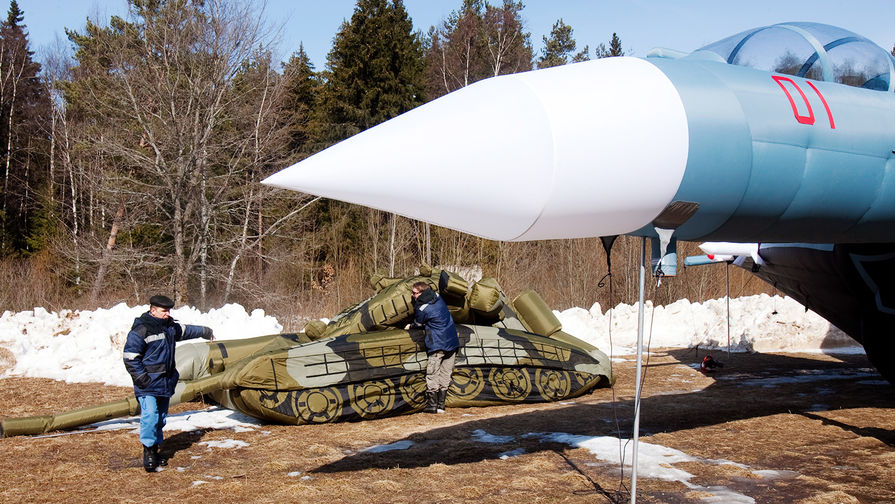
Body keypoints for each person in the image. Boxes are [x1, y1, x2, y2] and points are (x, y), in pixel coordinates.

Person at [123, 295, 214, 472]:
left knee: (160, 419)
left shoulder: (170, 327)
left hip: (165, 383)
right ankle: (148, 451)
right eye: (164, 311)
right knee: (150, 416)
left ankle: (156, 450)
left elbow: (187, 330)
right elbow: (130, 358)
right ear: (153, 310)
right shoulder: (141, 330)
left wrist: (205, 331)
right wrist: (142, 379)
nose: (167, 314)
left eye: (168, 311)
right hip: (147, 384)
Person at [409, 281, 459, 414]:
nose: (412, 295)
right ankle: (441, 405)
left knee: (432, 373)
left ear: (421, 292)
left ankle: (432, 405)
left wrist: (410, 326)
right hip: (452, 341)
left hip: (438, 343)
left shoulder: (422, 308)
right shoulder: (437, 296)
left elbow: (418, 323)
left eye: (414, 293)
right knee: (446, 373)